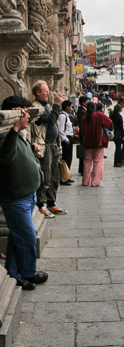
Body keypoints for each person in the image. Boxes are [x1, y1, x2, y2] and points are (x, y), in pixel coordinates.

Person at [0, 96, 48, 290]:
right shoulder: (5, 134)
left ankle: (14, 272)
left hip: (28, 195)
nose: (28, 117)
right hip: (15, 197)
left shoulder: (18, 133)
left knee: (17, 236)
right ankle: (28, 272)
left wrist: (30, 147)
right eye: (25, 112)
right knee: (27, 237)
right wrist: (15, 129)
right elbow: (5, 156)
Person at [30, 82, 63, 217]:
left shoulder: (47, 106)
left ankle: (51, 202)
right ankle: (41, 204)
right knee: (46, 175)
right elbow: (50, 120)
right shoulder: (36, 107)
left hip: (53, 144)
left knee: (55, 176)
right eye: (45, 91)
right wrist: (56, 105)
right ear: (38, 92)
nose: (48, 93)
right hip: (45, 146)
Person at [78, 101, 113, 187]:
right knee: (97, 161)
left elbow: (82, 130)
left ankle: (85, 181)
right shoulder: (99, 115)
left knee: (87, 161)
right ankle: (96, 181)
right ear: (94, 108)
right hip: (98, 142)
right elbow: (110, 123)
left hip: (87, 142)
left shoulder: (84, 118)